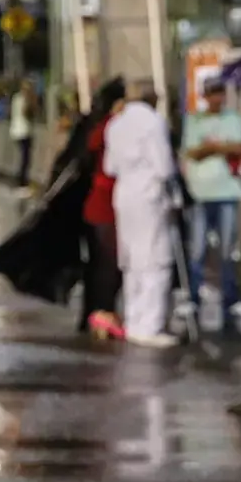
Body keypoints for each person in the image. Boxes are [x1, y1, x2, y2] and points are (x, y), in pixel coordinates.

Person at [104, 83, 178, 348]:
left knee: (131, 259)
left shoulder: (116, 123)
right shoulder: (153, 122)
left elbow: (109, 166)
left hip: (124, 195)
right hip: (149, 195)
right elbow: (164, 167)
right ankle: (150, 324)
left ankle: (134, 318)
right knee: (157, 259)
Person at [180, 78, 241, 332]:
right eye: (212, 94)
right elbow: (192, 152)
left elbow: (239, 147)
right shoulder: (194, 120)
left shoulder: (233, 119)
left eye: (219, 93)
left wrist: (212, 147)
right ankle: (193, 298)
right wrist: (218, 147)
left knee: (227, 249)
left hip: (227, 192)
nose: (216, 98)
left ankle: (230, 299)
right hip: (199, 193)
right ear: (205, 96)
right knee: (197, 250)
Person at [80, 78, 128, 335]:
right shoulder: (109, 126)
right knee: (108, 264)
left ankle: (98, 312)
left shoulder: (99, 125)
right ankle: (102, 313)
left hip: (101, 205)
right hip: (105, 205)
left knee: (102, 263)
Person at [11, 78, 37, 189]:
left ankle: (21, 180)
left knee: (24, 157)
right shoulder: (24, 99)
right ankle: (22, 182)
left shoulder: (16, 98)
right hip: (24, 131)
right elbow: (26, 113)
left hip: (16, 131)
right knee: (25, 158)